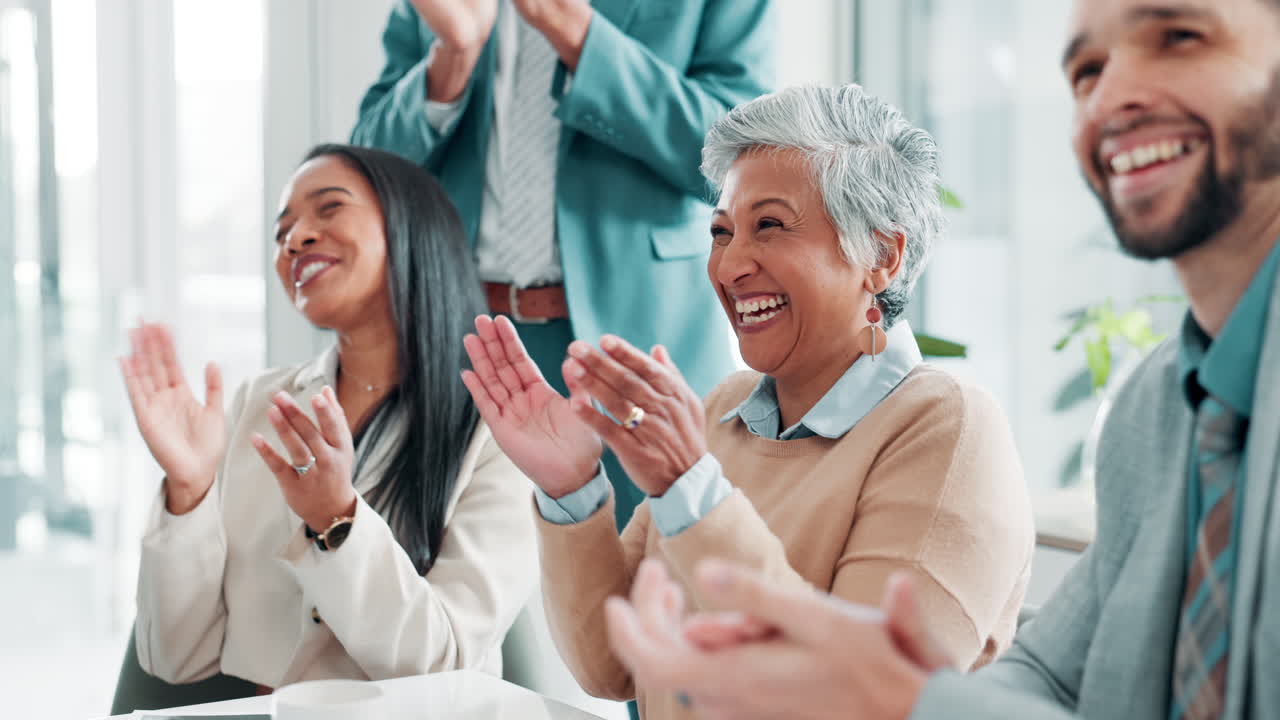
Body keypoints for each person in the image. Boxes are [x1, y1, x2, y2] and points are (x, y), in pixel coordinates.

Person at [602, 0, 1280, 718]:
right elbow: (1050, 677)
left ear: (882, 257)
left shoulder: (946, 428)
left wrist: (905, 698)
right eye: (1085, 72)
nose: (1109, 97)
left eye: (1179, 36)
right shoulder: (1154, 414)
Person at [460, 85, 1035, 719]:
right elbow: (612, 666)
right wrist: (572, 488)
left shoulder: (947, 428)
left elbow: (859, 701)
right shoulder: (724, 409)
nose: (730, 265)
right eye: (721, 231)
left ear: (881, 255)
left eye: (769, 226)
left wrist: (691, 490)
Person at [120, 144, 536, 691]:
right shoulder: (257, 405)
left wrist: (337, 521)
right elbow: (174, 659)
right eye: (282, 231)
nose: (296, 238)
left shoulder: (501, 428)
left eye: (329, 208)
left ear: (411, 227)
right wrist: (189, 490)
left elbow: (441, 668)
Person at [350, 0, 776, 530]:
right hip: (462, 343)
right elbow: (365, 173)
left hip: (636, 339)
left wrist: (573, 29)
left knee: (650, 586)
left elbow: (741, 156)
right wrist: (452, 58)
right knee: (455, 590)